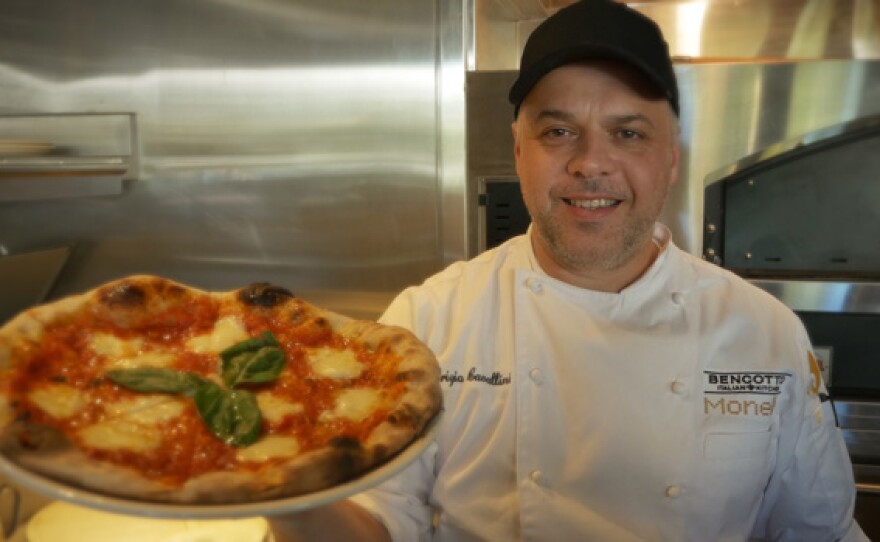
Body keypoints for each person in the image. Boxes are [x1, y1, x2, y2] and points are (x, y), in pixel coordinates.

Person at [270, 0, 867, 540]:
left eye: (628, 132)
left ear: (672, 156)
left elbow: (820, 534)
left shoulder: (766, 333)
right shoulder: (426, 323)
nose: (590, 164)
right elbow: (376, 527)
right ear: (518, 151)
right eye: (559, 131)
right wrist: (281, 488)